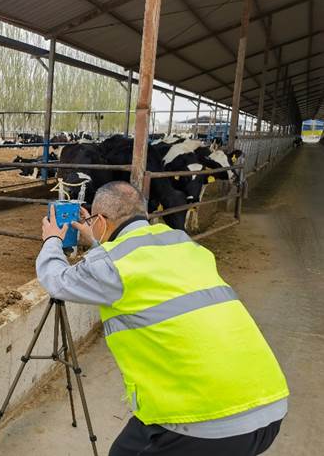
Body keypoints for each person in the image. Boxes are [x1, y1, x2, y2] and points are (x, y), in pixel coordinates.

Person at [36, 181, 289, 456]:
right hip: (269, 405)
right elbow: (130, 257)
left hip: (208, 422)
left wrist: (52, 240)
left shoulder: (113, 265)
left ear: (100, 220)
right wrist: (97, 239)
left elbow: (56, 280)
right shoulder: (182, 244)